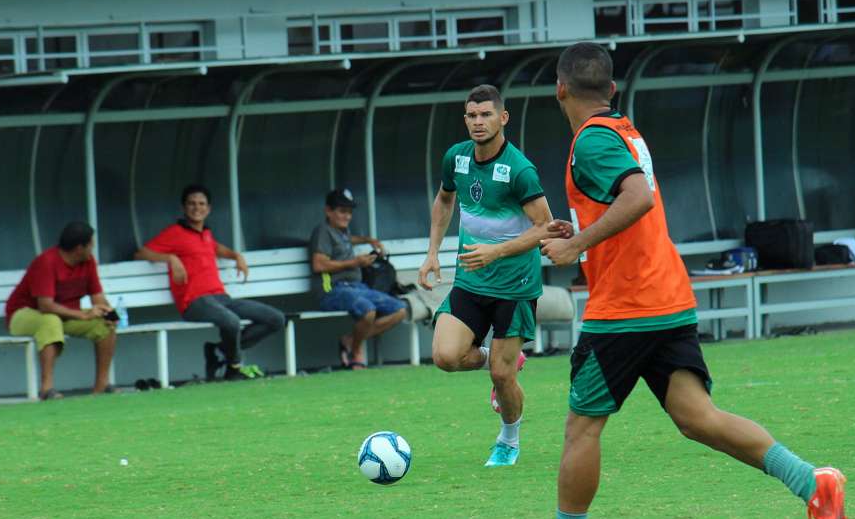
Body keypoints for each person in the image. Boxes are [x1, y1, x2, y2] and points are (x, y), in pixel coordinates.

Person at [501, 42, 847, 519]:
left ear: (560, 88)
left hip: (626, 308)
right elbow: (625, 204)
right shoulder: (623, 129)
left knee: (581, 429)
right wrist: (582, 230)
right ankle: (813, 483)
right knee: (697, 417)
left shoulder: (591, 140)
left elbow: (636, 198)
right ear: (612, 89)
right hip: (665, 296)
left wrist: (577, 245)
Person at [418, 84, 555, 467]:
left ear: (503, 118)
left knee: (502, 376)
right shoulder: (456, 158)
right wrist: (432, 253)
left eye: (486, 114)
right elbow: (445, 199)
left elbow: (545, 227)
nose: (478, 122)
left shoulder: (519, 170)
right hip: (471, 280)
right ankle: (498, 362)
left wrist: (495, 251)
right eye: (472, 115)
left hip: (515, 287)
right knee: (445, 357)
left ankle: (508, 440)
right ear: (465, 119)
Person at [135, 184, 285, 381]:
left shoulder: (205, 233)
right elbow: (141, 253)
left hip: (222, 298)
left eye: (201, 204)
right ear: (183, 207)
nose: (197, 208)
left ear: (208, 208)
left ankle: (219, 351)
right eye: (191, 204)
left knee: (276, 319)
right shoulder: (175, 232)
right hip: (194, 301)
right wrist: (171, 258)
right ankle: (234, 367)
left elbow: (215, 247)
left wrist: (236, 255)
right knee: (231, 321)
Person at [5, 221, 117, 400]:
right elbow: (45, 305)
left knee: (104, 324)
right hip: (23, 314)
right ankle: (47, 389)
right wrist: (83, 314)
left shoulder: (88, 262)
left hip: (64, 314)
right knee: (50, 320)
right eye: (91, 245)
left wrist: (109, 313)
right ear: (79, 248)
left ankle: (102, 385)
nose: (93, 248)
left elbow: (97, 296)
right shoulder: (47, 262)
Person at [309, 188, 406, 370]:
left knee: (400, 310)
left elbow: (349, 240)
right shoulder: (323, 231)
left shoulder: (341, 232)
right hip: (332, 290)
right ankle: (356, 352)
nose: (347, 216)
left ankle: (350, 340)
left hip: (357, 288)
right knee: (368, 311)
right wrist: (356, 262)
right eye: (342, 211)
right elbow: (319, 265)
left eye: (349, 212)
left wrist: (369, 240)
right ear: (328, 211)